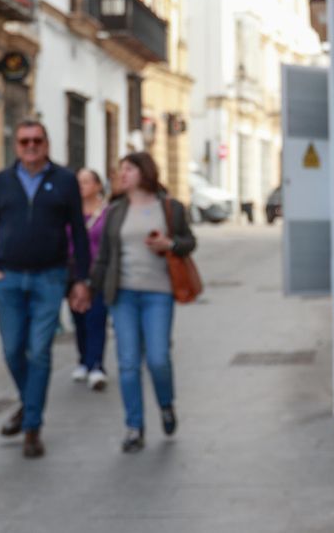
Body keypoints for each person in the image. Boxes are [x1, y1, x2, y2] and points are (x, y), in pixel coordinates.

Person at [0, 120, 90, 458]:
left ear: (47, 143)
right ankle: (28, 405)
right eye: (24, 140)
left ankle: (32, 426)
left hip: (49, 278)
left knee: (40, 350)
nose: (31, 146)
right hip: (9, 279)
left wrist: (82, 279)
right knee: (13, 349)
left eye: (37, 140)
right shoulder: (1, 182)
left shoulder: (64, 181)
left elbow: (79, 232)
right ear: (16, 145)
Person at [90, 152, 196, 453]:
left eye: (129, 169)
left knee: (159, 358)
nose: (122, 174)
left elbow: (189, 242)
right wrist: (88, 288)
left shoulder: (169, 208)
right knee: (127, 363)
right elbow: (104, 257)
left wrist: (169, 244)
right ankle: (134, 426)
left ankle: (165, 404)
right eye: (120, 169)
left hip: (158, 294)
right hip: (123, 294)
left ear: (144, 172)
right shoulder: (115, 210)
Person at [69, 168, 110, 389]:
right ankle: (83, 360)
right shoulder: (70, 212)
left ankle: (97, 364)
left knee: (96, 318)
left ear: (97, 185)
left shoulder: (107, 212)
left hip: (98, 274)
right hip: (74, 274)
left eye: (86, 181)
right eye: (78, 181)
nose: (81, 185)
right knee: (78, 318)